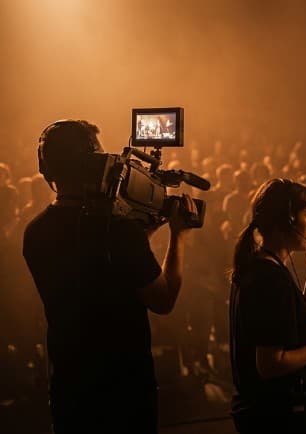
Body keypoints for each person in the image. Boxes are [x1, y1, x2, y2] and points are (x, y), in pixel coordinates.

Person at [23, 119, 197, 433]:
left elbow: (94, 265)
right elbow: (163, 298)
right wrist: (179, 235)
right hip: (123, 390)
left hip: (70, 386)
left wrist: (141, 236)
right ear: (92, 163)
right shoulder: (119, 232)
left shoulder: (35, 232)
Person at [229, 178, 306, 434]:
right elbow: (271, 364)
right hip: (275, 417)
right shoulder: (269, 279)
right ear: (288, 220)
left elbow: (297, 327)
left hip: (265, 412)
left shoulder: (263, 266)